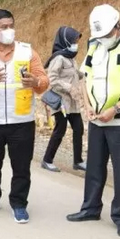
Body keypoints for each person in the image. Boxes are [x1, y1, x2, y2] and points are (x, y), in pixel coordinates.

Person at [66, 5, 120, 238]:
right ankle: (90, 208)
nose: (101, 39)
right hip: (97, 121)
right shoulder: (94, 44)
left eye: (105, 35)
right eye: (98, 36)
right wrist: (86, 105)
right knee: (94, 168)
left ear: (117, 26)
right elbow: (84, 77)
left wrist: (116, 109)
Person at [0, 9, 50, 224]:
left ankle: (19, 204)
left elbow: (44, 80)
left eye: (11, 25)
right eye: (3, 27)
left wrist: (36, 83)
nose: (8, 30)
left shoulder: (27, 52)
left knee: (21, 167)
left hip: (21, 122)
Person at [41, 26, 86, 173]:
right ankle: (47, 160)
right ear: (65, 40)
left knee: (78, 128)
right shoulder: (59, 58)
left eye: (77, 41)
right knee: (60, 129)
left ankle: (78, 161)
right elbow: (52, 79)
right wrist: (69, 87)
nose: (76, 43)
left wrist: (84, 75)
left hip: (72, 102)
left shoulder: (70, 57)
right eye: (73, 40)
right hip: (60, 102)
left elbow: (74, 74)